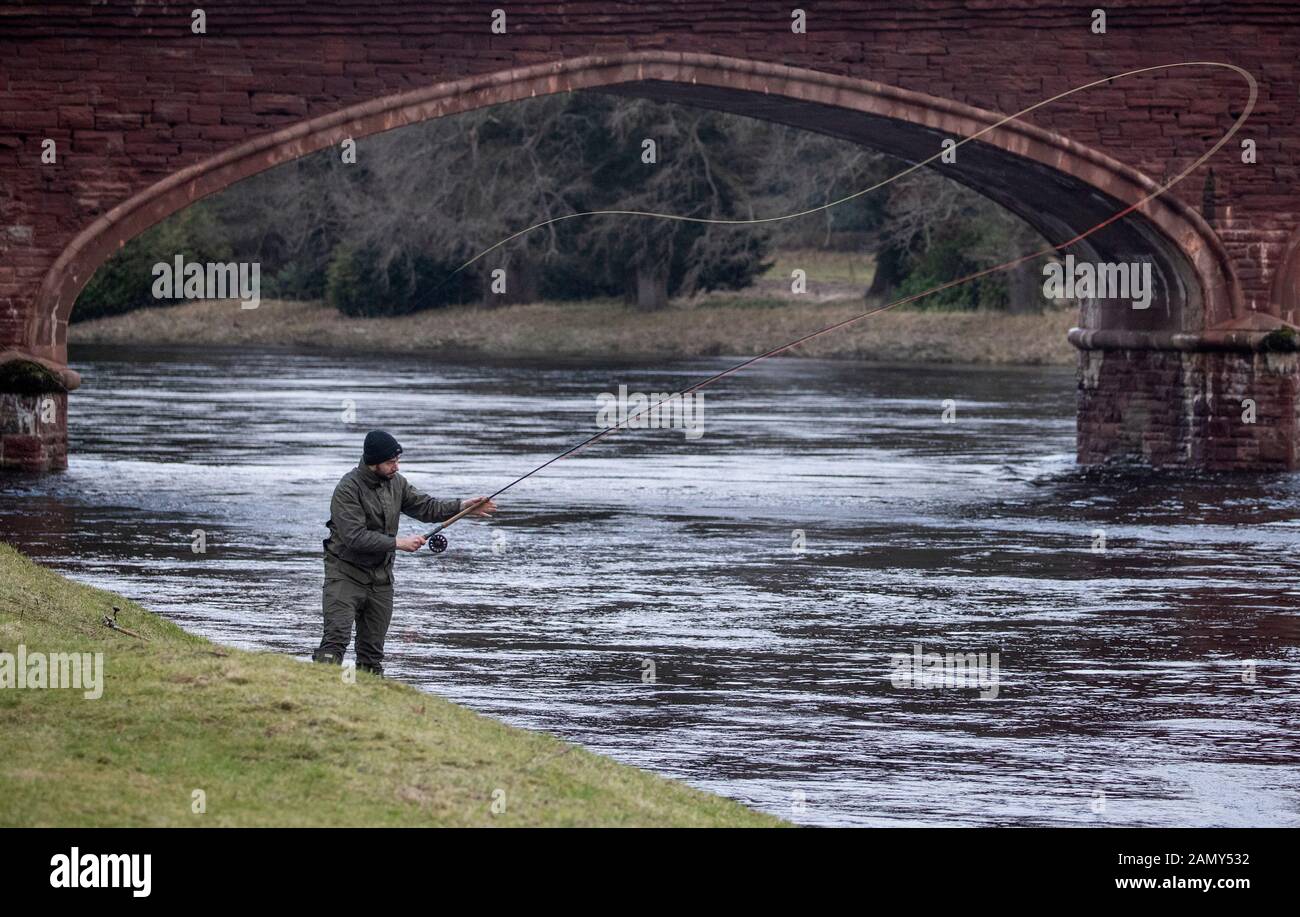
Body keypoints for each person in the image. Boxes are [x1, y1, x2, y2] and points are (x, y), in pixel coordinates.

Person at [312, 430, 496, 676]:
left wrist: (463, 506)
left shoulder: (397, 483)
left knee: (372, 653)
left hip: (381, 580)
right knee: (335, 641)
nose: (396, 467)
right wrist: (398, 543)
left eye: (397, 461)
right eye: (391, 462)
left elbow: (427, 507)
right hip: (344, 575)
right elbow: (354, 537)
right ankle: (317, 692)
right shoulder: (348, 488)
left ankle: (369, 706)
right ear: (373, 462)